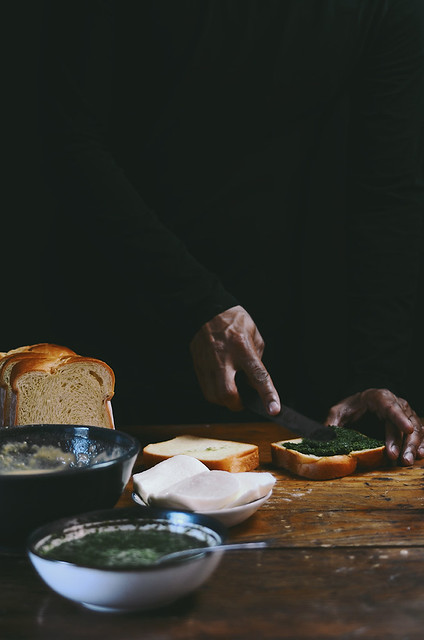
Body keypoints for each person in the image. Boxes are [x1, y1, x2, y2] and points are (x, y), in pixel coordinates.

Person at [38, 1, 424, 465]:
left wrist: (376, 371)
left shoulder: (381, 11)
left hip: (265, 347)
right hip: (114, 314)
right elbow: (66, 144)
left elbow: (386, 195)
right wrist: (196, 301)